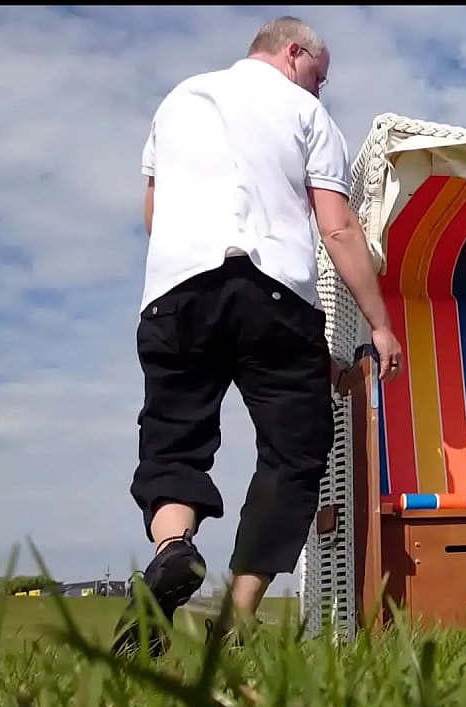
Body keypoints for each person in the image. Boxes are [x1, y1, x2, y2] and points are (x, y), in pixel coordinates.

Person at [112, 16, 403, 657]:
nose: (320, 90)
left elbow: (154, 213)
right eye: (319, 77)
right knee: (295, 452)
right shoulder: (306, 115)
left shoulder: (179, 100)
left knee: (173, 439)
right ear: (294, 54)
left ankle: (174, 549)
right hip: (273, 293)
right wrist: (379, 324)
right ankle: (237, 618)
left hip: (174, 291)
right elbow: (339, 228)